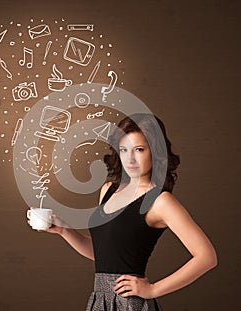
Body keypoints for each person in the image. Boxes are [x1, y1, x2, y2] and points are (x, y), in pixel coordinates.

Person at [27, 113, 217, 310]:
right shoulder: (108, 190)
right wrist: (64, 230)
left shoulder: (160, 201)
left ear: (156, 151)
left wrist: (153, 289)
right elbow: (105, 254)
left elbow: (207, 257)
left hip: (129, 303)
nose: (130, 159)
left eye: (139, 150)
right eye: (124, 150)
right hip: (100, 300)